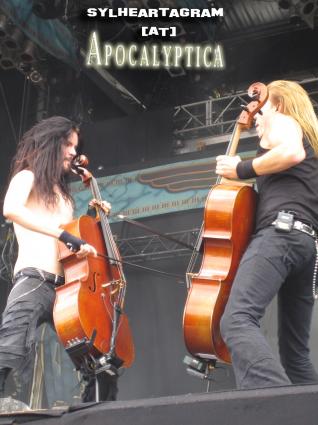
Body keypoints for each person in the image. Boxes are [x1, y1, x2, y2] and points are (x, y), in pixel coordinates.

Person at [0, 116, 117, 405]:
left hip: (67, 290)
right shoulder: (26, 177)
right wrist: (63, 235)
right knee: (9, 350)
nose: (73, 152)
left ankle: (95, 413)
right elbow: (10, 209)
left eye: (75, 146)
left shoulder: (63, 197)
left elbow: (72, 240)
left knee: (100, 361)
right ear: (52, 143)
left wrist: (94, 220)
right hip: (34, 279)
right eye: (67, 144)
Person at [216, 80, 318, 389]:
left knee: (236, 321)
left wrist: (241, 169)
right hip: (306, 244)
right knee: (296, 356)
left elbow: (291, 152)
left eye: (262, 112)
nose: (257, 119)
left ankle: (278, 409)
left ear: (277, 104)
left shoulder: (284, 121)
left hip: (282, 234)